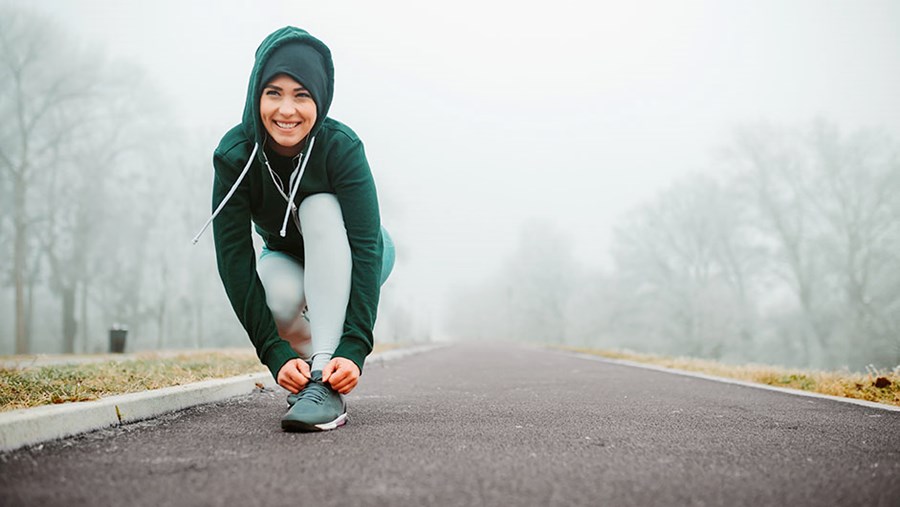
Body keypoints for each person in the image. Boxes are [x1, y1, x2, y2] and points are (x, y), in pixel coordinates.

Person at [192, 26, 394, 432]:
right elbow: (234, 259)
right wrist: (275, 354)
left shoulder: (341, 147)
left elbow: (367, 247)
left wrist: (353, 349)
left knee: (318, 204)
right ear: (256, 96)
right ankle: (314, 376)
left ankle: (324, 379)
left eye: (301, 95)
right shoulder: (234, 155)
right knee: (281, 300)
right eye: (274, 93)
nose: (286, 110)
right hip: (286, 255)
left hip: (359, 251)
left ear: (319, 98)